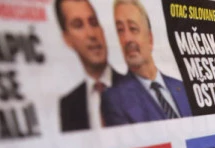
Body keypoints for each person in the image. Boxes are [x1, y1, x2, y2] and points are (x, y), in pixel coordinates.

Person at [101, 0, 192, 125]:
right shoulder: (115, 99)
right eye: (120, 30)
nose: (127, 39)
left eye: (133, 28)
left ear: (150, 38)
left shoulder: (183, 88)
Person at [56, 0, 125, 132]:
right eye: (78, 25)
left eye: (93, 23)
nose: (91, 34)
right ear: (67, 38)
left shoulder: (137, 87)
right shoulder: (68, 105)